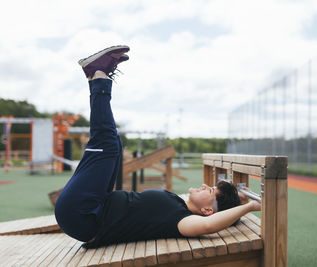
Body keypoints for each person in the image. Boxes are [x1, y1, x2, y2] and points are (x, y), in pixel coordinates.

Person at [54, 45, 261, 248]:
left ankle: (98, 76)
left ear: (207, 210)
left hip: (83, 215)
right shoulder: (180, 205)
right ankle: (94, 78)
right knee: (114, 143)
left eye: (212, 190)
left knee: (107, 143)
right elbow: (219, 207)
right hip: (93, 207)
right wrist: (240, 197)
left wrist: (251, 206)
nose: (206, 185)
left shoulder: (182, 220)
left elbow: (208, 226)